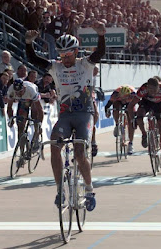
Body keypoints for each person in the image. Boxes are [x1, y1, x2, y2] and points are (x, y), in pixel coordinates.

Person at [24, 21, 106, 209]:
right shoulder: (56, 67)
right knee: (54, 146)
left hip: (84, 113)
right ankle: (60, 189)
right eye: (61, 55)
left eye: (68, 55)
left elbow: (99, 53)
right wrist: (28, 43)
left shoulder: (85, 64)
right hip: (65, 116)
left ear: (76, 52)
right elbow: (35, 60)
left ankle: (89, 189)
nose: (65, 58)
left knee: (79, 152)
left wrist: (101, 35)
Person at [128, 77, 161, 167]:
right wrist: (132, 120)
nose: (152, 92)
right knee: (139, 115)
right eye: (150, 90)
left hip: (159, 104)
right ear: (147, 87)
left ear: (158, 87)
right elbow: (130, 106)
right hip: (146, 102)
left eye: (154, 90)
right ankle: (144, 134)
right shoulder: (143, 89)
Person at [7, 78, 44, 150]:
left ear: (24, 88)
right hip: (23, 102)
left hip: (32, 99)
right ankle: (22, 153)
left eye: (20, 92)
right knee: (20, 127)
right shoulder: (11, 91)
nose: (19, 94)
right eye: (17, 92)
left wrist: (40, 124)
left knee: (35, 113)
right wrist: (11, 119)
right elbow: (9, 108)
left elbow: (40, 110)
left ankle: (36, 136)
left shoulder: (31, 90)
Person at [104, 85, 136, 155]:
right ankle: (117, 124)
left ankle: (130, 143)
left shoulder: (133, 95)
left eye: (125, 99)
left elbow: (138, 104)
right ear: (119, 95)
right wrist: (107, 111)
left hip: (130, 103)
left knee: (131, 121)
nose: (124, 100)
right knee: (116, 108)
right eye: (123, 98)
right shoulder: (115, 94)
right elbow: (107, 105)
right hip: (118, 101)